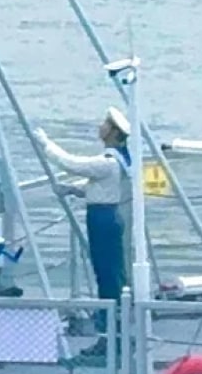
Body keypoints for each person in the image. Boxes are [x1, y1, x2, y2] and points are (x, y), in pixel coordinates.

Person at [37, 109, 132, 303]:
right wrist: (72, 189)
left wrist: (46, 144)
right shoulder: (117, 161)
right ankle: (115, 311)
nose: (101, 127)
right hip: (106, 215)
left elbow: (71, 164)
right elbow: (100, 186)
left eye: (106, 124)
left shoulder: (108, 162)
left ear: (113, 132)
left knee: (106, 268)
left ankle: (110, 315)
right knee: (109, 267)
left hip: (103, 217)